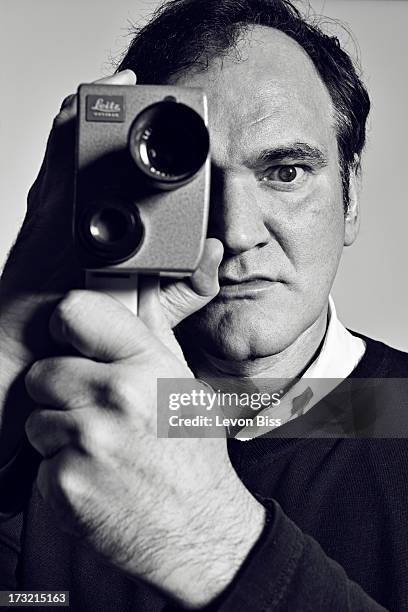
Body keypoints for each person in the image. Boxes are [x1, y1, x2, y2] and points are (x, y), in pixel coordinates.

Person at [0, 0, 408, 610]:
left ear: (350, 199)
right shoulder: (53, 417)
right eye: (194, 181)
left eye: (287, 172)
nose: (238, 230)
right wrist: (9, 338)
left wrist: (206, 538)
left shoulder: (396, 411)